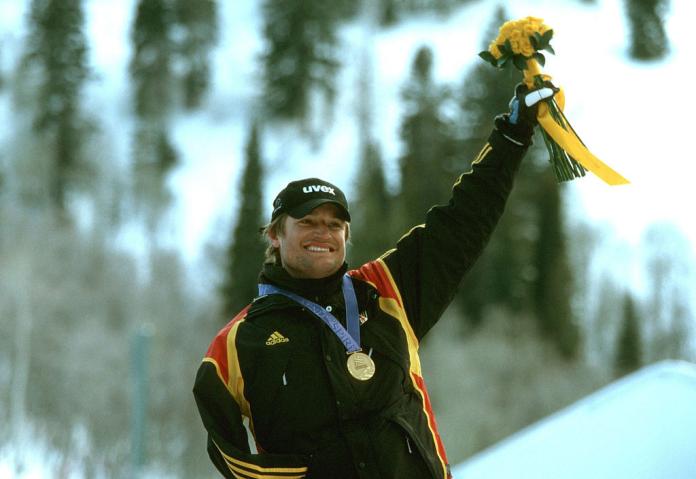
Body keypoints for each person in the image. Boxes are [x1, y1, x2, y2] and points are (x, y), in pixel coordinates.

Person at [193, 82, 556, 479]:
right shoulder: (239, 341)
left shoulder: (386, 291)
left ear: (347, 238)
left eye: (335, 224)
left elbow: (463, 221)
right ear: (276, 235)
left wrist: (512, 134)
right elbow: (222, 440)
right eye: (308, 222)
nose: (323, 234)